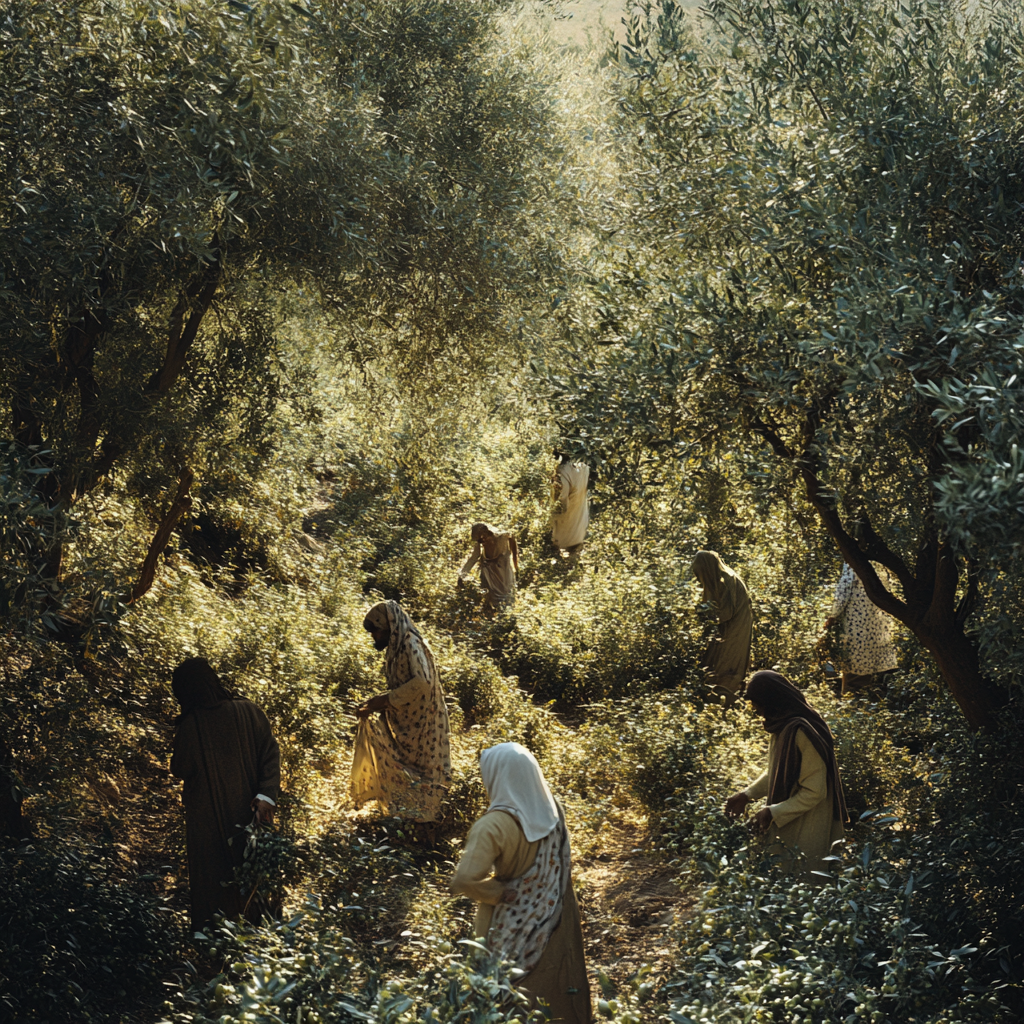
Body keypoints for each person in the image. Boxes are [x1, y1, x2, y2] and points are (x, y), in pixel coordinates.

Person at [450, 743, 592, 1024]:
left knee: (506, 997)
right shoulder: (553, 809)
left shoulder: (493, 826)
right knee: (558, 985)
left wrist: (498, 892)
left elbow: (465, 880)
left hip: (507, 929)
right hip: (557, 919)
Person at [170, 658, 280, 932]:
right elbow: (271, 755)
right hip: (253, 815)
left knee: (213, 882)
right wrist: (267, 795)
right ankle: (266, 937)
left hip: (208, 825)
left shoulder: (191, 725)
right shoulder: (250, 710)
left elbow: (180, 767)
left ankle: (216, 943)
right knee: (256, 875)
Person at [725, 670, 848, 878]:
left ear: (772, 701)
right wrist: (747, 794)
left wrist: (773, 812)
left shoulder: (801, 731)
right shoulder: (783, 726)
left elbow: (815, 792)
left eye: (758, 703)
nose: (755, 710)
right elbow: (776, 771)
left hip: (810, 822)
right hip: (791, 817)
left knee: (806, 885)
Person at [350, 600, 451, 824]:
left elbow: (423, 682)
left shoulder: (411, 645)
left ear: (390, 627)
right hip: (410, 721)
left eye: (376, 631)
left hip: (426, 721)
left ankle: (430, 822)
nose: (374, 637)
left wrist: (386, 700)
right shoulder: (396, 647)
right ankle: (408, 816)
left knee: (428, 771)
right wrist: (376, 704)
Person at [824, 562, 897, 695]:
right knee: (869, 666)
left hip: (856, 623)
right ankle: (865, 702)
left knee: (854, 666)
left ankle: (850, 704)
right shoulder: (879, 562)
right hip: (875, 624)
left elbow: (844, 590)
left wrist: (833, 616)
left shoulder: (853, 563)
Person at [691, 550, 753, 702]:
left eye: (700, 574)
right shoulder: (721, 578)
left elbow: (724, 614)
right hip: (730, 629)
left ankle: (725, 704)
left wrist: (699, 614)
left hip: (735, 631)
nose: (699, 580)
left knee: (727, 666)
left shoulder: (726, 581)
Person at [457, 522, 519, 612]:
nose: (482, 542)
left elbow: (514, 552)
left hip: (504, 572)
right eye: (479, 541)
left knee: (507, 595)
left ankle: (509, 615)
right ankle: (491, 613)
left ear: (487, 532)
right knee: (491, 598)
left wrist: (516, 567)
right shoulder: (480, 541)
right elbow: (474, 557)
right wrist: (462, 574)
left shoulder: (502, 537)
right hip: (490, 574)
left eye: (482, 539)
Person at [551, 454, 590, 560]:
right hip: (580, 528)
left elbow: (561, 506)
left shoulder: (562, 472)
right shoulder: (583, 467)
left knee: (562, 568)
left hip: (565, 534)